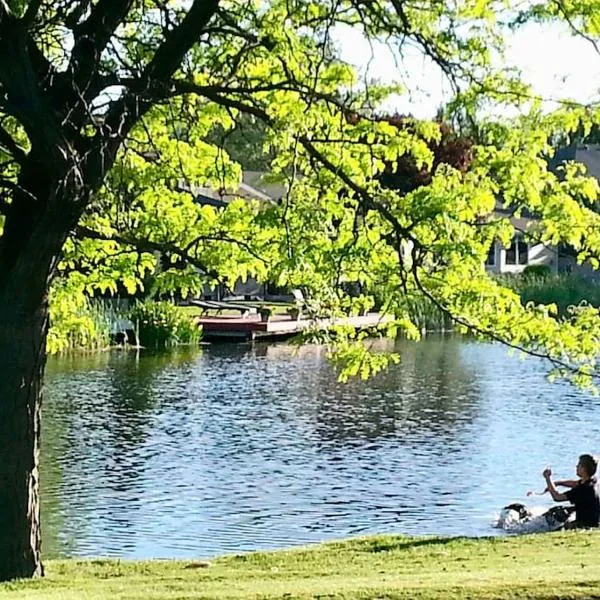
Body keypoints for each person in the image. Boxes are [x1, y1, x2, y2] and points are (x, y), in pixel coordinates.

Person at [542, 454, 600, 529]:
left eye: (579, 465)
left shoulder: (582, 490)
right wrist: (558, 483)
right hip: (596, 521)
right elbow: (575, 483)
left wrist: (548, 478)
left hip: (585, 524)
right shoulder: (595, 481)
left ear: (584, 469)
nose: (576, 467)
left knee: (557, 526)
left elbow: (557, 497)